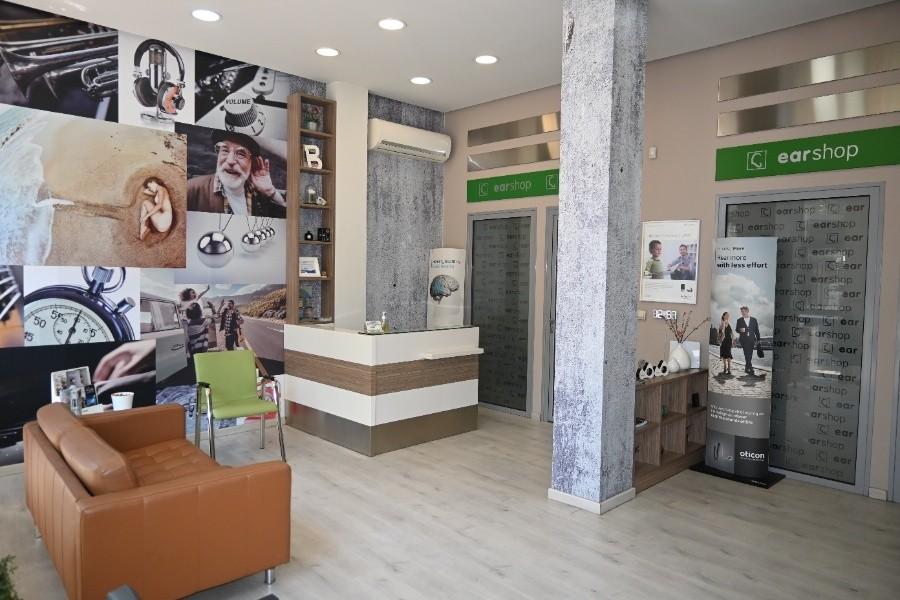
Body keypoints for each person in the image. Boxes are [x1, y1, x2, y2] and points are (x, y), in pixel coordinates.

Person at [186, 130, 286, 217]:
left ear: (251, 162)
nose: (230, 161)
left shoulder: (259, 195)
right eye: (225, 150)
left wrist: (270, 191)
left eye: (241, 154)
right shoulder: (190, 190)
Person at [735, 306, 760, 375]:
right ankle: (750, 367)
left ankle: (747, 366)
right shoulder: (739, 320)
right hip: (743, 339)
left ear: (747, 311)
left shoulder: (754, 320)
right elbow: (737, 329)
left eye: (743, 311)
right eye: (741, 312)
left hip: (752, 339)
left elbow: (756, 330)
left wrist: (758, 339)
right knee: (746, 352)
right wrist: (742, 330)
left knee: (750, 353)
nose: (742, 313)